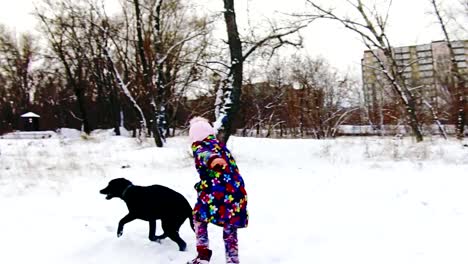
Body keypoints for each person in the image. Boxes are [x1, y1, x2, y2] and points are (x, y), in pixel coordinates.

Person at [187, 117, 248, 264]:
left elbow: (205, 155)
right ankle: (233, 260)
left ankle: (203, 255)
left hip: (216, 193)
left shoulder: (200, 146)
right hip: (236, 194)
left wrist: (213, 160)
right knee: (230, 228)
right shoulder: (219, 145)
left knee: (199, 217)